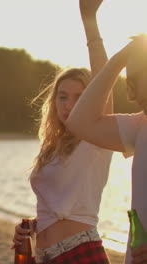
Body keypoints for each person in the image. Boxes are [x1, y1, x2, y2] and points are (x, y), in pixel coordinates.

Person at [13, 0, 113, 263]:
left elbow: (105, 80)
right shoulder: (51, 147)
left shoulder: (95, 139)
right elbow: (58, 208)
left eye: (80, 97)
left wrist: (89, 20)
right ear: (53, 102)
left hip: (80, 253)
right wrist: (33, 226)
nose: (69, 105)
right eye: (63, 97)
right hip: (44, 256)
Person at [65, 33, 147, 264]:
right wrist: (119, 60)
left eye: (134, 82)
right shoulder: (140, 126)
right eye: (126, 84)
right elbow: (79, 122)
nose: (130, 96)